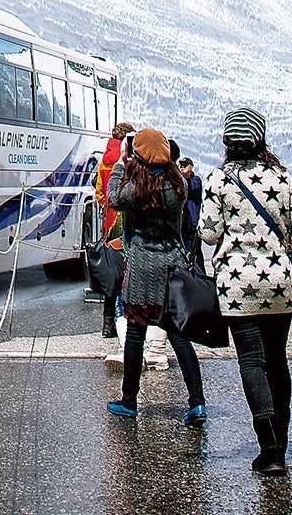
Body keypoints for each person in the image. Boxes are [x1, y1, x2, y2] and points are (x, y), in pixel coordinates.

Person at [199, 107, 292, 477]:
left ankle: (268, 447)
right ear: (260, 139)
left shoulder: (219, 180)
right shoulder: (281, 177)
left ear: (227, 143)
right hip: (279, 281)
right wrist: (280, 246)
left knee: (251, 360)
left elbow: (208, 232)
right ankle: (280, 442)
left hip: (237, 284)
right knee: (277, 360)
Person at [105, 127, 208, 426]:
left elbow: (113, 197)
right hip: (172, 264)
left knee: (136, 333)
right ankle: (197, 402)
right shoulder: (179, 186)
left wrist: (122, 164)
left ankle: (129, 400)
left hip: (140, 267)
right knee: (178, 335)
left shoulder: (135, 188)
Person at [94, 122, 133, 338]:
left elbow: (99, 191)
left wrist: (106, 207)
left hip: (110, 222)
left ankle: (107, 322)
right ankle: (127, 321)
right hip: (128, 220)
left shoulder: (105, 161)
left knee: (112, 271)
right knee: (128, 271)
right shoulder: (130, 161)